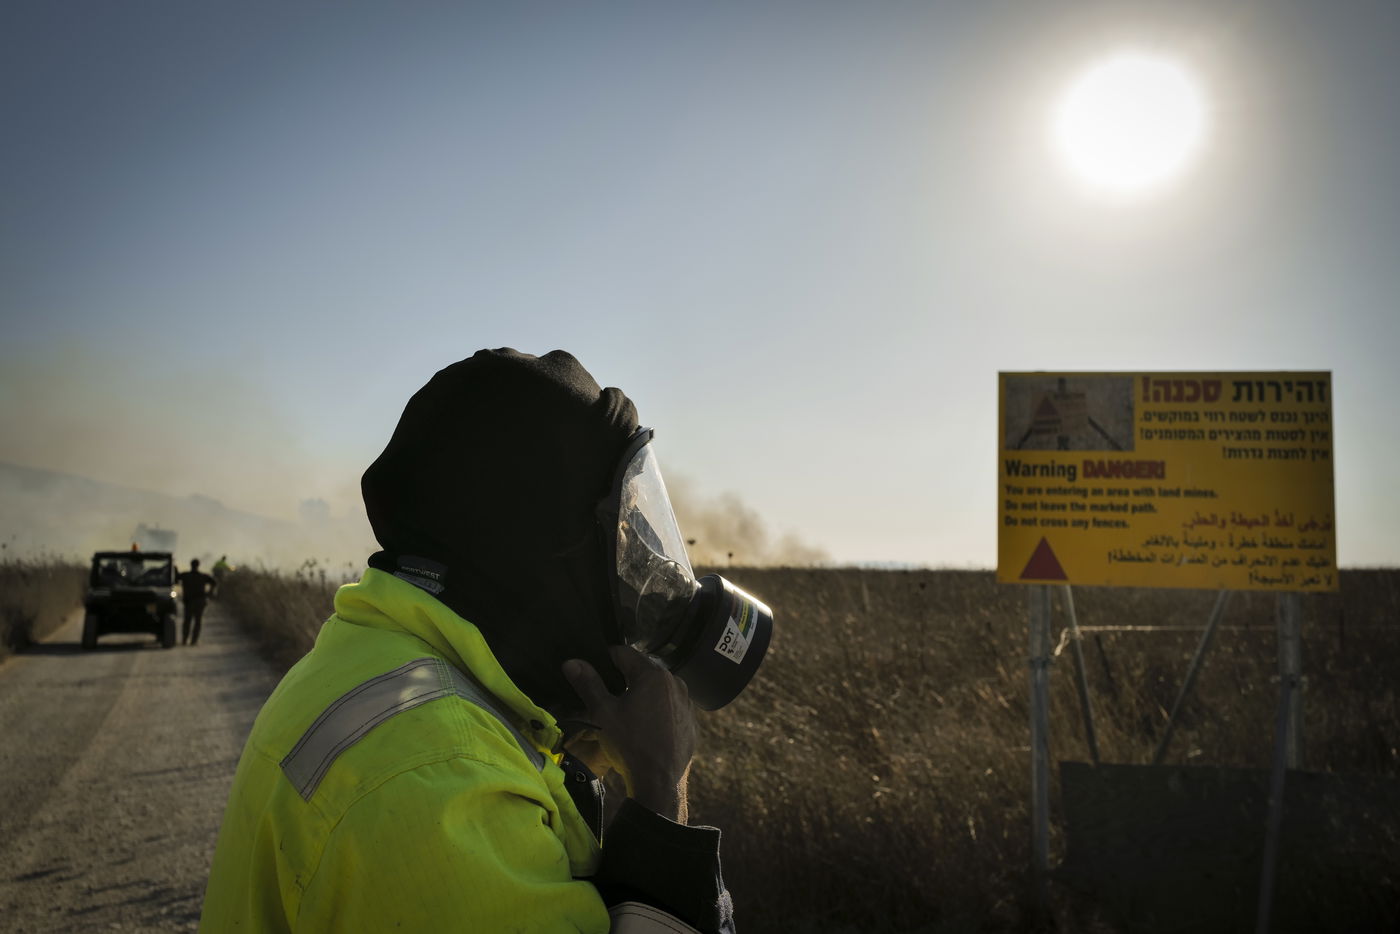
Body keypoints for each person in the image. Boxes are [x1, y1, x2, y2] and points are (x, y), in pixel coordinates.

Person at [200, 349, 774, 933]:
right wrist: (661, 790)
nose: (643, 562)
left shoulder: (372, 654)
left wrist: (552, 753)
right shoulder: (442, 786)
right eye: (620, 531)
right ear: (536, 545)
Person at [176, 558, 217, 646]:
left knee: (187, 621)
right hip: (199, 601)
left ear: (191, 565)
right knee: (197, 621)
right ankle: (194, 641)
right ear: (198, 565)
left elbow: (175, 578)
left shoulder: (185, 575)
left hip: (189, 601)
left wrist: (174, 568)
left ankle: (185, 639)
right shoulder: (203, 576)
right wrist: (209, 593)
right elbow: (214, 582)